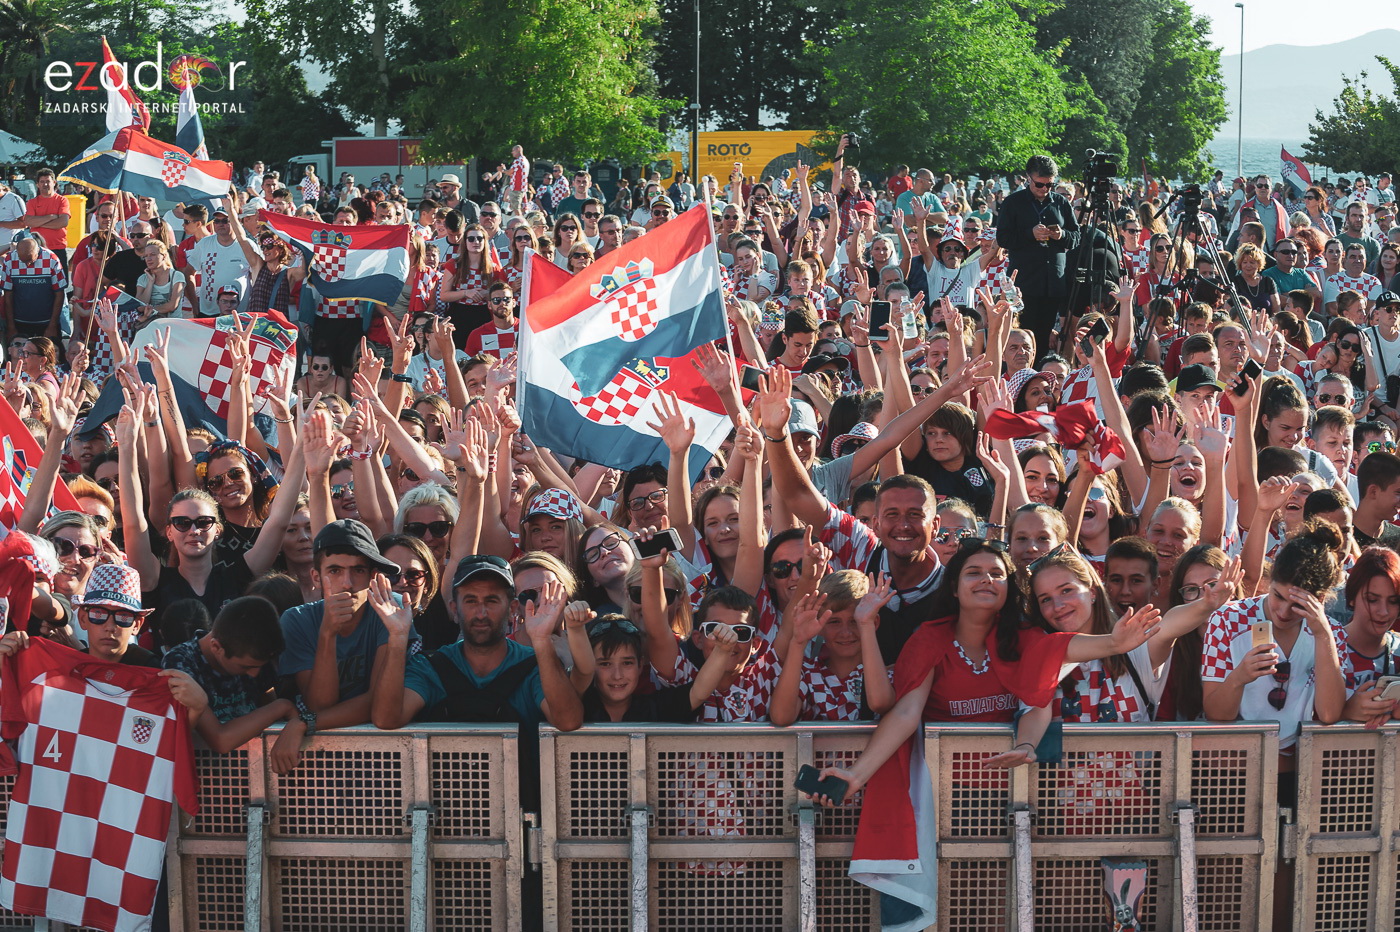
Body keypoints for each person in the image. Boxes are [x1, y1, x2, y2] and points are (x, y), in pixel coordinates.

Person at [996, 155, 1080, 360]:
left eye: (1050, 185)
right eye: (1040, 184)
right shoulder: (1013, 202)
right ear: (1028, 178)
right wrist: (1030, 234)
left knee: (1043, 337)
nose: (1045, 189)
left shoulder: (1060, 202)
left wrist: (1062, 235)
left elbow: (1076, 237)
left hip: (1053, 281)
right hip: (1025, 281)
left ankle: (1040, 371)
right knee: (1022, 334)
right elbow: (1003, 238)